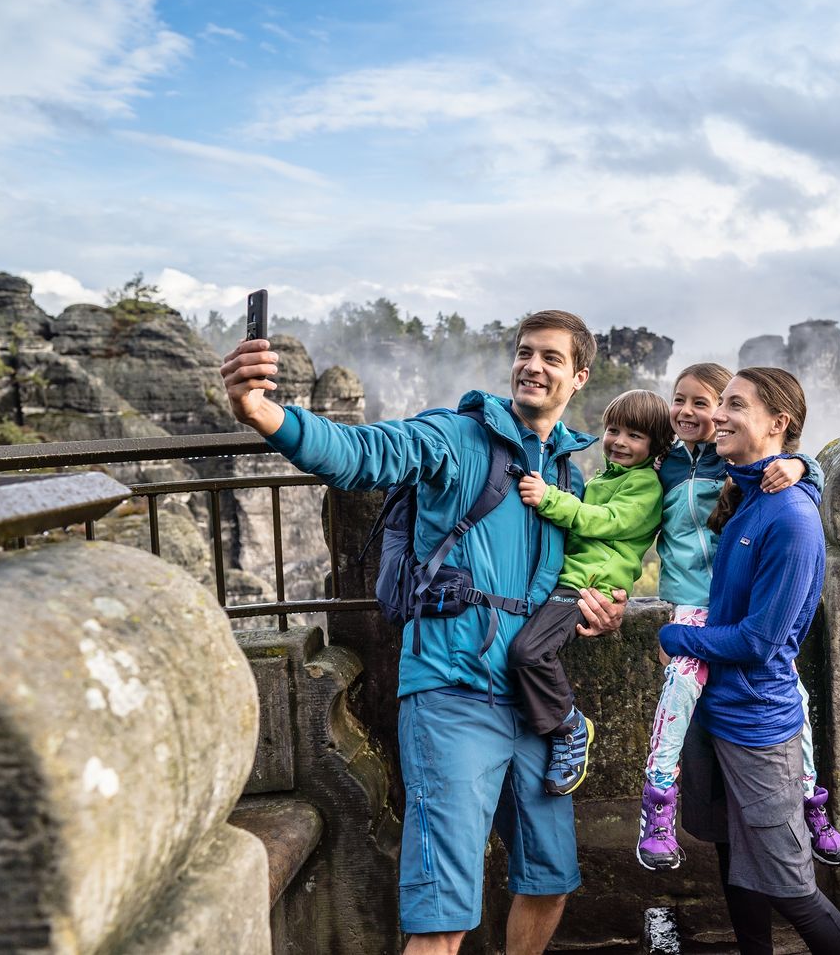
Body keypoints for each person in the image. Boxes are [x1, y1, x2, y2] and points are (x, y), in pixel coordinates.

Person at [220, 310, 627, 955]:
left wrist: (599, 609)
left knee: (550, 880)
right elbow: (362, 455)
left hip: (535, 704)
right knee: (443, 912)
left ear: (579, 377)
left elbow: (575, 576)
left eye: (552, 358)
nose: (533, 366)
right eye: (525, 353)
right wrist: (267, 414)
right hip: (452, 693)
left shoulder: (570, 475)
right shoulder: (457, 437)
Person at [657, 367, 840, 955]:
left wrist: (678, 639)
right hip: (719, 713)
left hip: (756, 725)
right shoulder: (748, 493)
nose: (718, 414)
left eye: (734, 405)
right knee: (736, 867)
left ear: (778, 424)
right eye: (720, 403)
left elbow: (759, 642)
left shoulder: (790, 519)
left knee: (792, 889)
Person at [509, 388, 674, 796]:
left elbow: (604, 521)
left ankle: (569, 726)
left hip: (589, 588)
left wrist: (549, 499)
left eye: (634, 435)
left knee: (529, 652)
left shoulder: (645, 486)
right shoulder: (605, 477)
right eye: (614, 430)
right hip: (569, 579)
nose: (619, 441)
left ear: (654, 444)